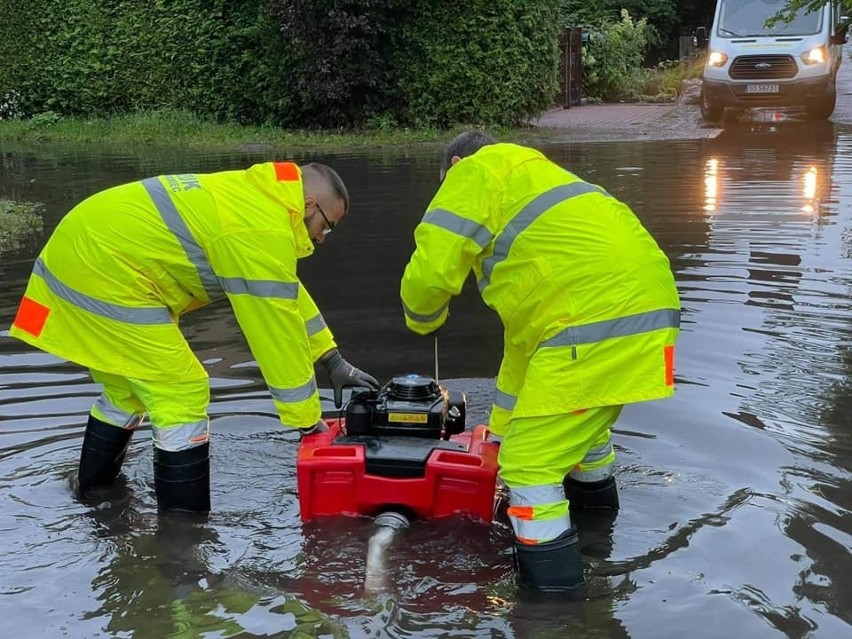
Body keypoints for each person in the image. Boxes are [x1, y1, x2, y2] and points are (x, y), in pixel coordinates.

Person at [9, 160, 379, 513]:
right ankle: (182, 533)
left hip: (84, 253)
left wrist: (331, 359)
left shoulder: (259, 204)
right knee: (181, 388)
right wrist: (307, 420)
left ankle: (93, 490)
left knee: (127, 390)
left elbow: (284, 294)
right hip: (104, 270)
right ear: (309, 204)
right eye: (327, 225)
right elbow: (276, 332)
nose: (323, 237)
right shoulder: (260, 228)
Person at [400, 132, 680, 592]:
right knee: (583, 436)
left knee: (530, 467)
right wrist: (498, 433)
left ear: (454, 164)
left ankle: (554, 610)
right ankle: (595, 536)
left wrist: (423, 319)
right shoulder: (538, 180)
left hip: (590, 321)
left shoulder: (474, 171)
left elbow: (429, 276)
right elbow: (521, 357)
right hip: (649, 315)